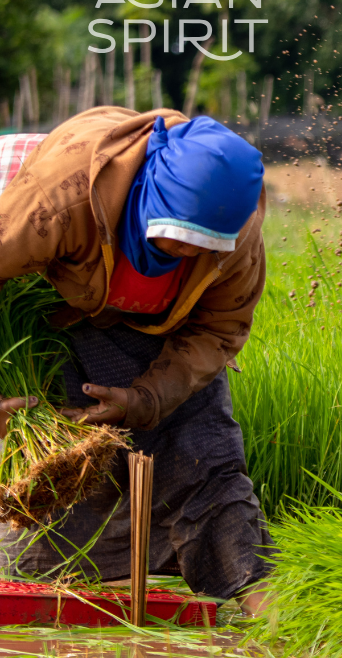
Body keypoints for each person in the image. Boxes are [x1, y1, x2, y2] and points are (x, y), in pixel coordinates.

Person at [0, 107, 272, 609]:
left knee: (202, 450)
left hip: (152, 322)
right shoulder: (55, 200)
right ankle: (62, 574)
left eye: (198, 247)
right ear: (148, 195)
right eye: (170, 236)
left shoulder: (236, 239)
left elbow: (219, 329)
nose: (179, 253)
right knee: (56, 467)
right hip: (41, 287)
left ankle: (263, 596)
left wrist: (143, 398)